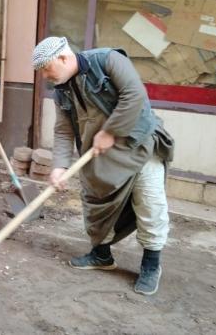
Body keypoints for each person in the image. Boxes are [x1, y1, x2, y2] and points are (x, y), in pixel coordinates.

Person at [32, 37, 174, 296]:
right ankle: (101, 256)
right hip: (100, 157)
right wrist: (60, 166)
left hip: (138, 146)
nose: (44, 76)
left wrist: (110, 131)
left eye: (45, 68)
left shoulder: (108, 60)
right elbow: (63, 129)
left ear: (63, 58)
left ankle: (151, 265)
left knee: (150, 204)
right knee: (96, 207)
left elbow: (135, 96)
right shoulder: (61, 89)